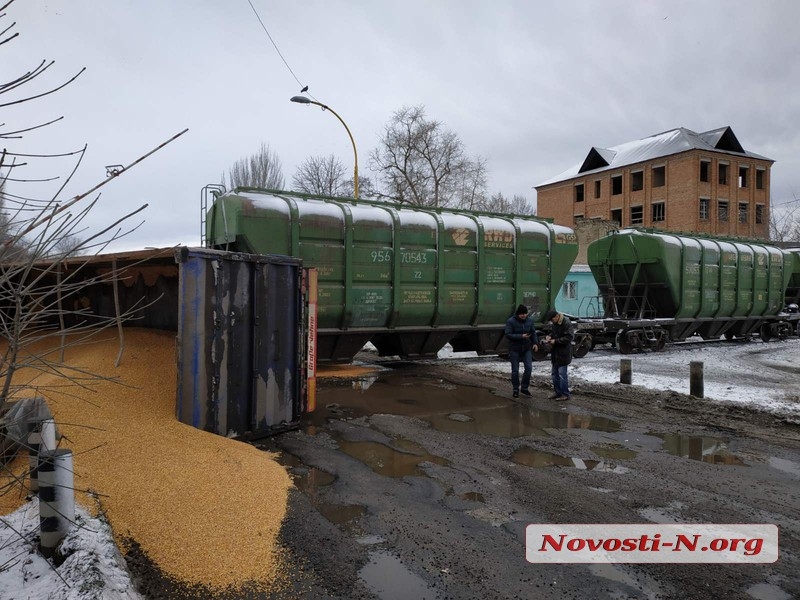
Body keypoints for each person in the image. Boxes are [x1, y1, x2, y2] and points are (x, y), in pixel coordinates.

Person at [504, 304, 538, 398]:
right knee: (515, 371)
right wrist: (520, 336)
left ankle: (524, 387)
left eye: (525, 314)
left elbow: (533, 332)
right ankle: (515, 389)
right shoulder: (511, 321)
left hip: (526, 348)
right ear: (518, 314)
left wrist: (535, 343)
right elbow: (508, 334)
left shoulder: (530, 321)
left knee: (529, 368)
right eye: (522, 314)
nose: (524, 316)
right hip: (514, 349)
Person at [543, 309, 574, 400]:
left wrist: (555, 341)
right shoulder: (555, 324)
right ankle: (558, 392)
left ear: (556, 317)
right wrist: (549, 336)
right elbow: (554, 333)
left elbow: (569, 337)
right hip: (556, 353)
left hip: (563, 353)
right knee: (554, 374)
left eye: (552, 320)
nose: (552, 322)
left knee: (562, 374)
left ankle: (565, 394)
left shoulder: (566, 323)